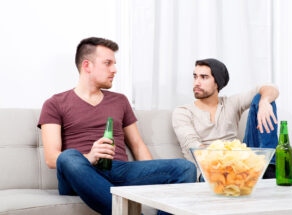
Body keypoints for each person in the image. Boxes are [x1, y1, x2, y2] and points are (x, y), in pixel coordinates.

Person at [38, 37, 196, 215]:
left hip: (120, 170)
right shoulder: (55, 103)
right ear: (87, 66)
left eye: (114, 63)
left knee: (185, 168)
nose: (114, 69)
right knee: (68, 157)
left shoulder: (119, 100)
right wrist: (89, 156)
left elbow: (137, 144)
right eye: (108, 63)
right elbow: (52, 158)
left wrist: (153, 178)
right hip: (80, 173)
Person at [172, 58, 279, 180]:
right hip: (210, 171)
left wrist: (264, 101)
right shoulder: (182, 112)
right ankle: (260, 174)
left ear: (217, 82)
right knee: (218, 170)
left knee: (262, 98)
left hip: (240, 162)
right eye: (195, 77)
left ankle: (271, 167)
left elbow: (270, 88)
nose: (197, 82)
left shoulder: (231, 103)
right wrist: (234, 159)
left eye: (204, 77)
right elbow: (195, 149)